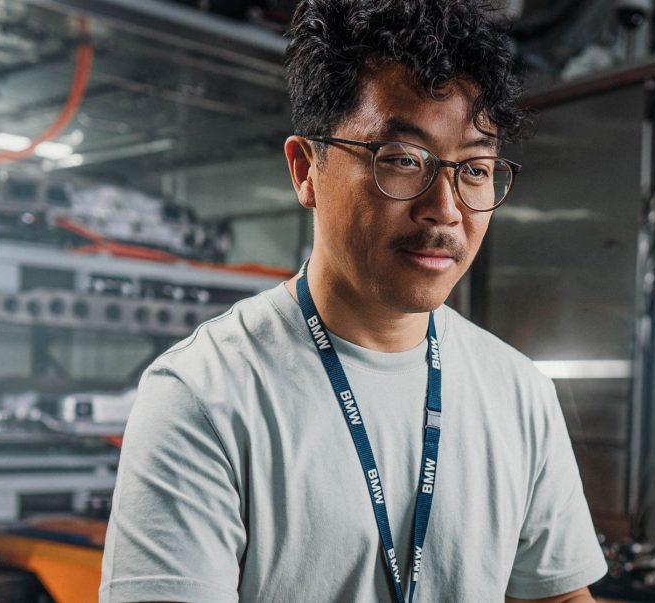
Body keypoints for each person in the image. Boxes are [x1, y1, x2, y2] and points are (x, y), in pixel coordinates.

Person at [98, 1, 607, 601]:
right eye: (400, 159)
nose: (444, 209)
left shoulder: (520, 391)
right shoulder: (204, 396)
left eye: (473, 169)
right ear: (305, 168)